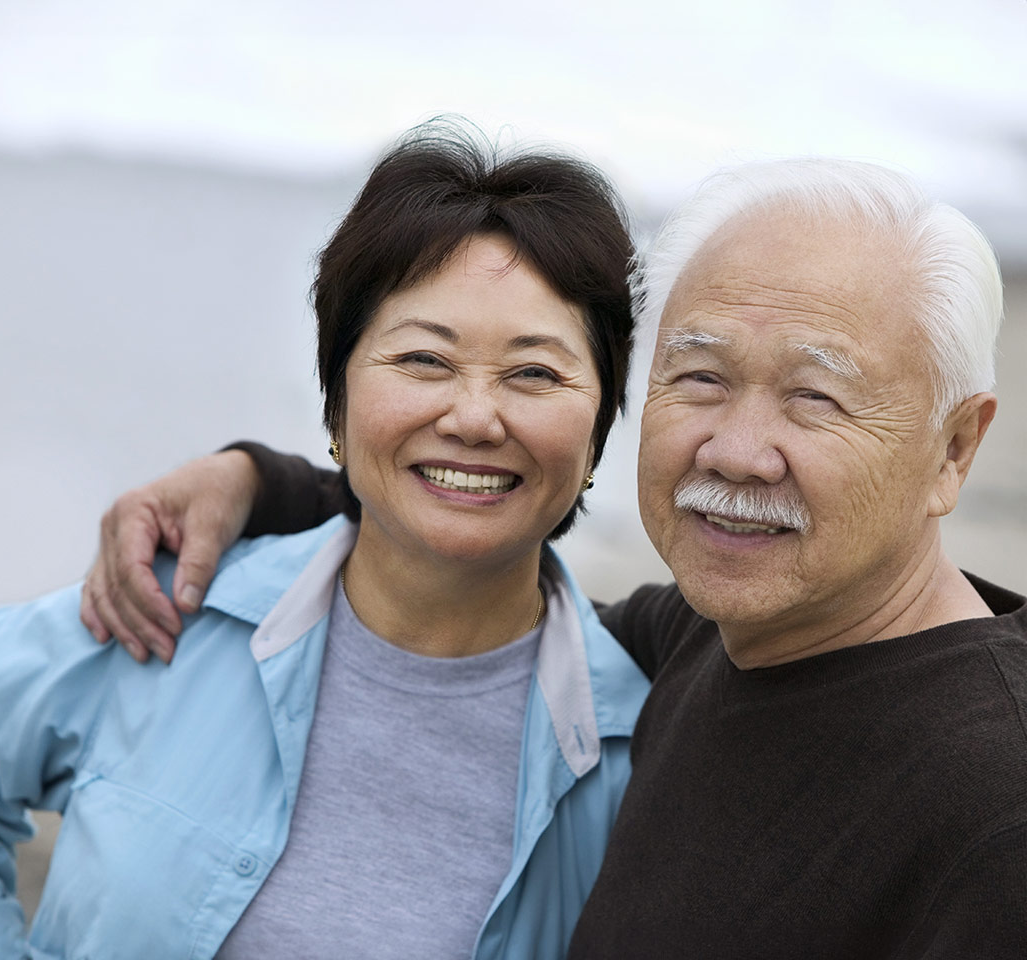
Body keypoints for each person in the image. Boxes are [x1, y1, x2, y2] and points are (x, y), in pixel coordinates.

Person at [83, 158, 1027, 957]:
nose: (736, 450)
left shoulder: (992, 804)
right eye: (700, 377)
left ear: (953, 450)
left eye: (815, 398)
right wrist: (256, 482)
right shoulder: (708, 635)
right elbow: (474, 561)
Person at [0, 124, 653, 960]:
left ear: (597, 432)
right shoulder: (172, 611)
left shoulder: (641, 750)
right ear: (336, 406)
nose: (475, 418)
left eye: (535, 374)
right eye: (422, 360)